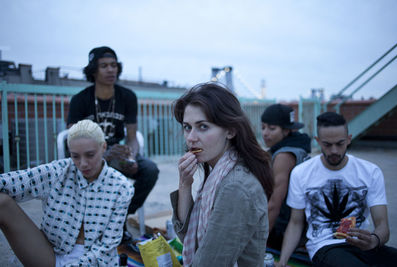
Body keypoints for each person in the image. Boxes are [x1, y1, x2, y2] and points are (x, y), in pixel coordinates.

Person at [0, 119, 134, 266]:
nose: (83, 163)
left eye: (90, 155)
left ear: (103, 147)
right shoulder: (59, 170)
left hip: (96, 263)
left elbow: (106, 247)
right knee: (2, 202)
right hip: (50, 255)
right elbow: (12, 182)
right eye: (75, 156)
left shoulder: (121, 187)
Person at [276, 112, 397, 267]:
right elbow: (295, 223)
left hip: (360, 244)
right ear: (318, 141)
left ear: (349, 139)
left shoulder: (370, 172)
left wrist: (373, 240)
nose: (334, 150)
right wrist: (282, 261)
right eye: (327, 144)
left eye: (340, 143)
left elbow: (382, 225)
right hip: (324, 247)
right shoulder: (301, 173)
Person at [170, 82, 273, 266]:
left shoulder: (235, 187)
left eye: (203, 127)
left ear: (230, 131)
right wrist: (185, 184)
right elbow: (189, 239)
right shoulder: (217, 173)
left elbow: (210, 262)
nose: (191, 138)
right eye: (187, 127)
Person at [67, 46, 159, 226]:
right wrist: (100, 155)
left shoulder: (127, 97)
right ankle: (100, 221)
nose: (111, 70)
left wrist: (130, 157)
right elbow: (73, 137)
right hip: (89, 154)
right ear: (93, 70)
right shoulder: (80, 99)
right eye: (104, 66)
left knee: (150, 170)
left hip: (116, 151)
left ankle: (120, 216)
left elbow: (132, 136)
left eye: (114, 65)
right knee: (109, 170)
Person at [261, 103, 311, 250]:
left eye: (272, 128)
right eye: (263, 127)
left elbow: (275, 204)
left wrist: (259, 242)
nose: (265, 133)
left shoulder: (284, 156)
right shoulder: (299, 147)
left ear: (287, 131)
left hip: (286, 227)